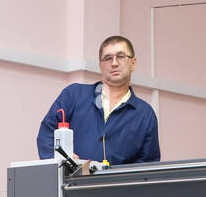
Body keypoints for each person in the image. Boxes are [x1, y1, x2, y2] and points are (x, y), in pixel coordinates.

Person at [36, 35, 160, 166]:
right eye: (108, 58)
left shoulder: (145, 114)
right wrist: (61, 161)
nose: (114, 63)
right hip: (71, 183)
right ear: (101, 66)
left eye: (121, 56)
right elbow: (46, 135)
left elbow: (147, 166)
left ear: (133, 63)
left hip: (117, 185)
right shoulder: (73, 95)